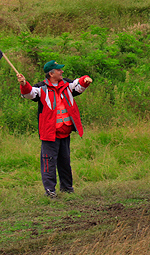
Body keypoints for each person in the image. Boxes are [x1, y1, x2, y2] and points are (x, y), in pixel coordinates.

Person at [17, 60, 93, 198]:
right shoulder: (41, 88)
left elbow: (78, 85)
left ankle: (67, 188)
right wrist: (23, 83)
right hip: (49, 133)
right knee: (48, 162)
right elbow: (29, 94)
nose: (62, 72)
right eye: (59, 70)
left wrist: (85, 80)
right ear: (51, 74)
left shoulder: (67, 85)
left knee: (65, 161)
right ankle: (50, 191)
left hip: (65, 131)